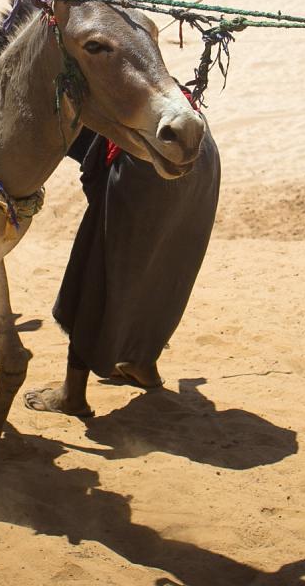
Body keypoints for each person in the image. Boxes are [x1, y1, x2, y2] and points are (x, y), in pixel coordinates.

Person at [24, 99, 221, 418]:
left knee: (94, 269)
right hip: (201, 152)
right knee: (162, 265)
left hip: (144, 160)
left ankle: (73, 394)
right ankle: (141, 364)